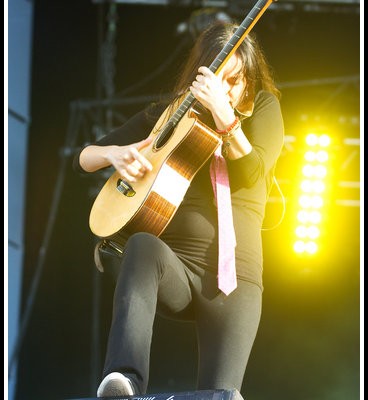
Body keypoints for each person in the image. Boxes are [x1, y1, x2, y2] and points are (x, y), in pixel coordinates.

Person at [73, 20, 284, 398]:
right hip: (179, 269)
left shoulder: (263, 107)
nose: (229, 90)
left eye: (236, 81)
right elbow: (85, 157)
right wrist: (115, 154)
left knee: (221, 394)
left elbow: (253, 172)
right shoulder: (172, 115)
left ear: (249, 79)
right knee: (141, 245)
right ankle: (123, 378)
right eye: (220, 79)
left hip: (236, 280)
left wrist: (226, 118)